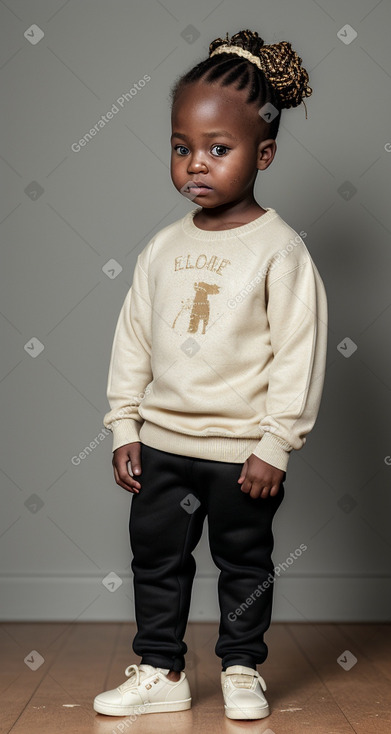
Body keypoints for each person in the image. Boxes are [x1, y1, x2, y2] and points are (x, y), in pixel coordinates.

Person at [93, 28, 328, 721]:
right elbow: (132, 339)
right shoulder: (162, 248)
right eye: (181, 147)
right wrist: (123, 425)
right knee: (156, 563)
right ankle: (160, 669)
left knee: (244, 566)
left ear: (263, 154)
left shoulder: (279, 251)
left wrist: (274, 443)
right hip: (163, 446)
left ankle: (240, 667)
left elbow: (298, 353)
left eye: (217, 149)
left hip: (240, 456)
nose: (196, 164)